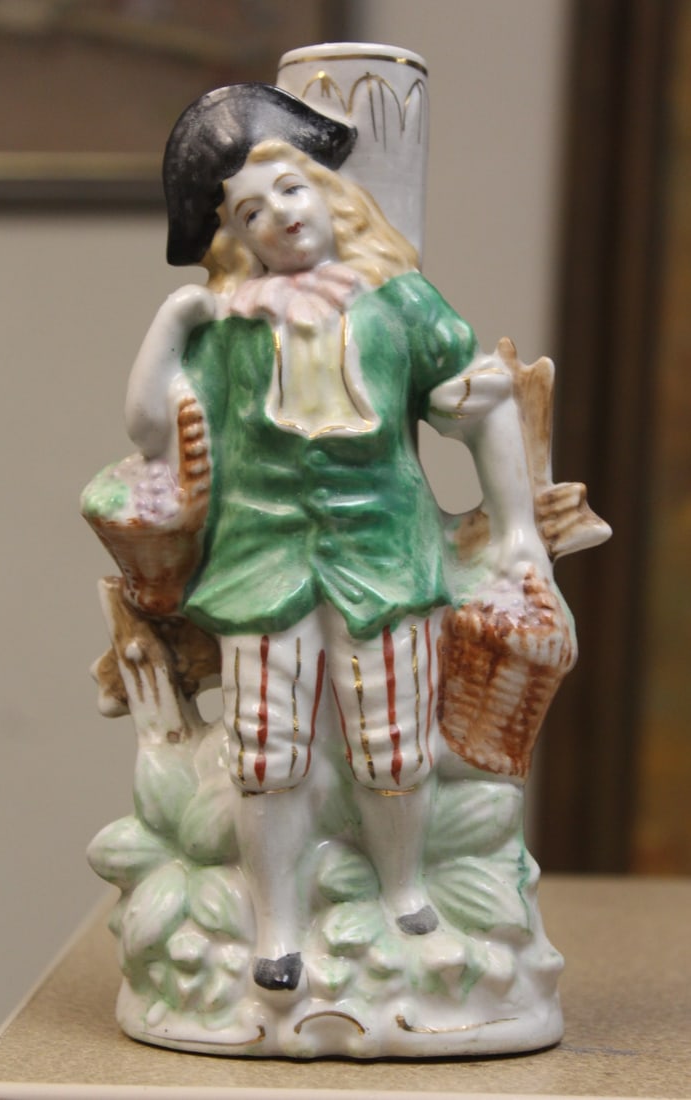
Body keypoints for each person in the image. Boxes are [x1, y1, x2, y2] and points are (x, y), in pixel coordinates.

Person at [124, 84, 550, 996]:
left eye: (290, 189)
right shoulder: (231, 328)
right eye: (250, 211)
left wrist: (516, 526)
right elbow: (150, 429)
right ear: (237, 238)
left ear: (328, 195)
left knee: (391, 742)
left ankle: (403, 890)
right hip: (264, 562)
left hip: (383, 558)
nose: (280, 215)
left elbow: (477, 401)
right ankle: (277, 924)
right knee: (265, 753)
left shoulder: (397, 300)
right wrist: (176, 319)